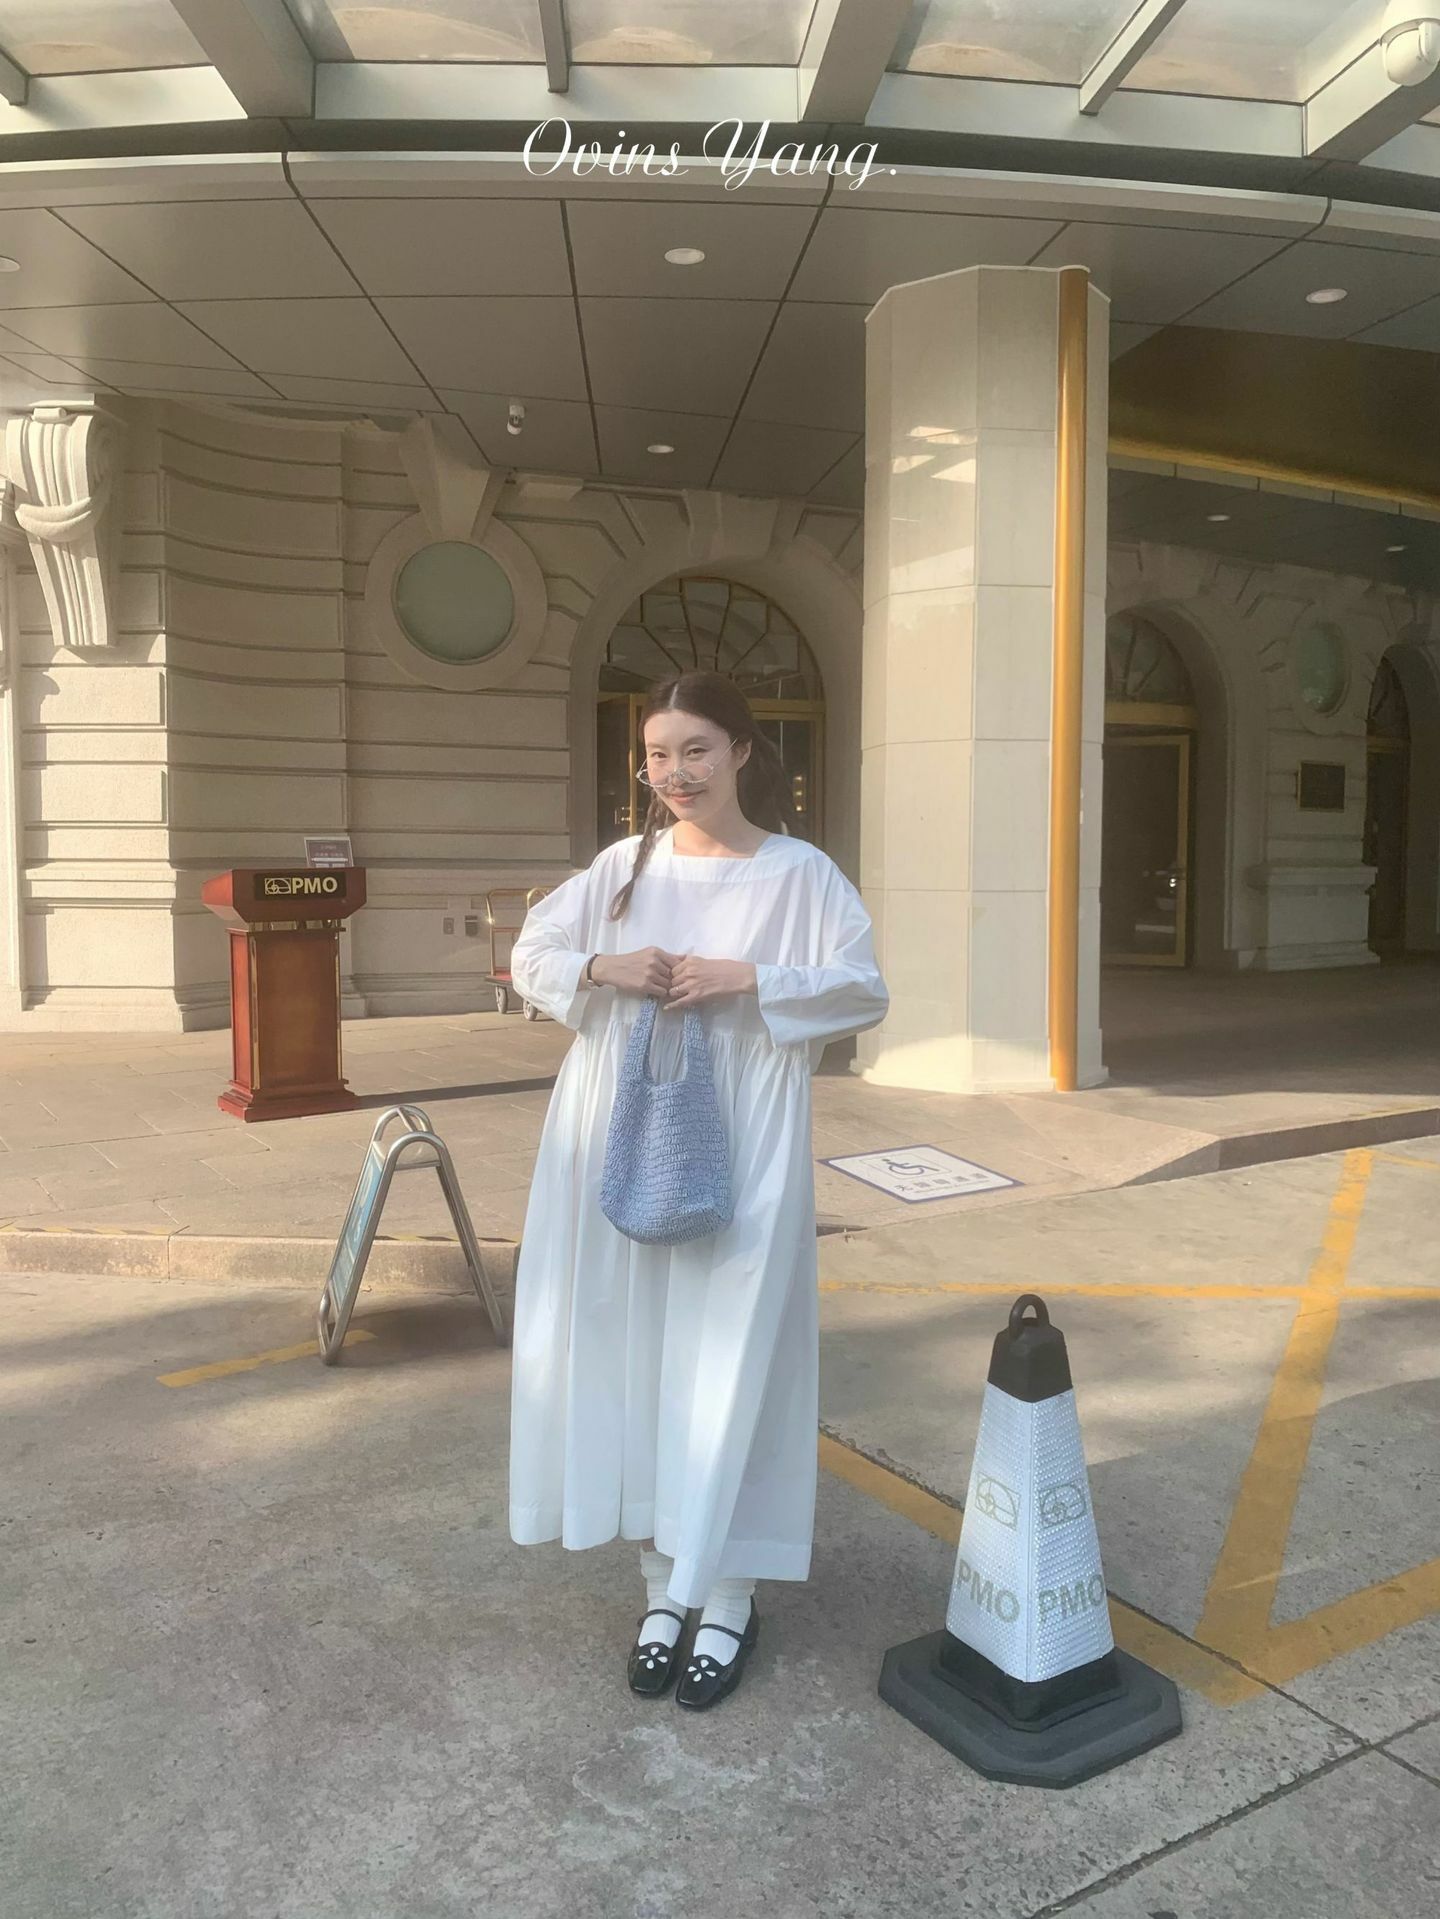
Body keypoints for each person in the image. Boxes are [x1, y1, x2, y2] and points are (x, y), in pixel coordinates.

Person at [506, 669, 888, 1711]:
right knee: (633, 1354)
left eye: (696, 749)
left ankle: (727, 1594)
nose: (674, 772)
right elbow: (533, 951)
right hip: (616, 1129)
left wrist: (751, 977)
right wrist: (604, 967)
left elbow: (864, 988)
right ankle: (659, 1589)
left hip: (747, 1140)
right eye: (657, 754)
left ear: (743, 751)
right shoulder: (621, 867)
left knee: (731, 1355)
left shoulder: (801, 874)